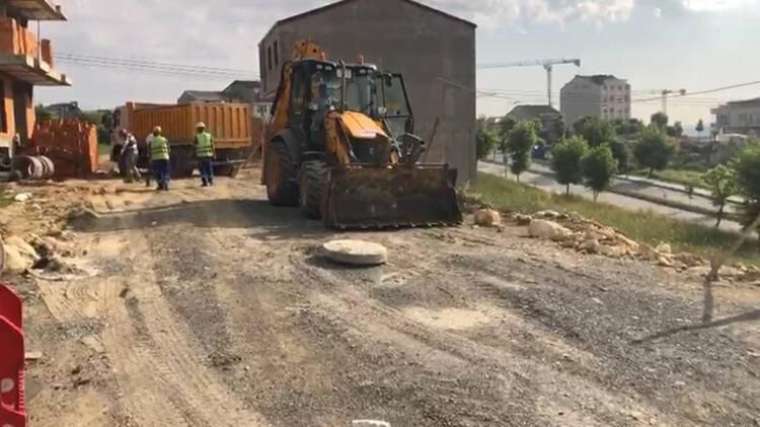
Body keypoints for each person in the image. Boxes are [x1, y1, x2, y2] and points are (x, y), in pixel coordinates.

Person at [149, 126, 171, 191]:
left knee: (157, 172)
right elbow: (169, 149)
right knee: (165, 172)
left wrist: (150, 159)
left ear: (153, 133)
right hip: (165, 158)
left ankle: (160, 185)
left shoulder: (151, 142)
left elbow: (149, 151)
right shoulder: (164, 139)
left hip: (156, 159)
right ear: (160, 132)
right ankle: (166, 184)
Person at [194, 122, 215, 187]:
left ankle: (205, 182)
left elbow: (195, 146)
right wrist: (214, 154)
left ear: (198, 129)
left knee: (202, 169)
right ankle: (211, 181)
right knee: (209, 168)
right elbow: (212, 145)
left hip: (200, 156)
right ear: (204, 128)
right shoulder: (209, 135)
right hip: (208, 155)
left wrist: (194, 154)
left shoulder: (197, 136)